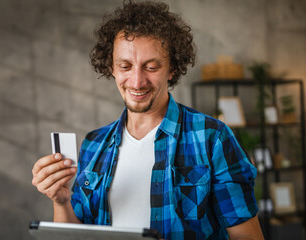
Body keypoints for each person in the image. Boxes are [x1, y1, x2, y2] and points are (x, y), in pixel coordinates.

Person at [32, 1, 264, 239]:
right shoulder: (94, 144)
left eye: (151, 67)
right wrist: (61, 202)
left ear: (172, 69)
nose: (137, 81)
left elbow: (248, 237)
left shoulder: (212, 137)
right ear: (111, 67)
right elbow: (76, 236)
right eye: (125, 66)